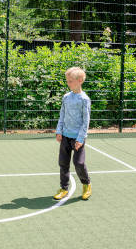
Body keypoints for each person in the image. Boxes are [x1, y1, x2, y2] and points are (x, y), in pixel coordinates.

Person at [53, 66, 92, 201]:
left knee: (79, 163)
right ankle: (64, 188)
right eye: (67, 80)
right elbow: (62, 115)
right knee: (63, 163)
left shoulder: (84, 99)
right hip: (65, 136)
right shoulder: (66, 97)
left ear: (80, 80)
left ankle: (86, 184)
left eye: (70, 81)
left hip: (77, 138)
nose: (68, 83)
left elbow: (86, 121)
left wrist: (80, 139)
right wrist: (59, 131)